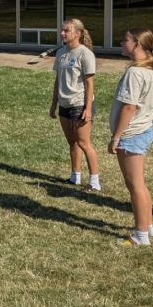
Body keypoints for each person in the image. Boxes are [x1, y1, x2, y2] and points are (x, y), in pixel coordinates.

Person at [109, 29, 153, 247]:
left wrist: (116, 138)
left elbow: (129, 107)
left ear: (136, 45)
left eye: (125, 40)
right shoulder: (148, 68)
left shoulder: (135, 72)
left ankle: (140, 235)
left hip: (132, 134)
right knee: (139, 184)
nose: (122, 43)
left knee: (135, 186)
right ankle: (147, 226)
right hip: (142, 131)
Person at [50, 19, 100, 191]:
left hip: (80, 104)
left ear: (77, 33)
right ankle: (75, 177)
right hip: (65, 103)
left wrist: (87, 108)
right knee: (72, 143)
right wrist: (54, 103)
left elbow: (89, 83)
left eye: (66, 30)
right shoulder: (61, 53)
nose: (62, 33)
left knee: (84, 142)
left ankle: (94, 182)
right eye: (62, 30)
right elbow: (58, 80)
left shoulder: (85, 54)